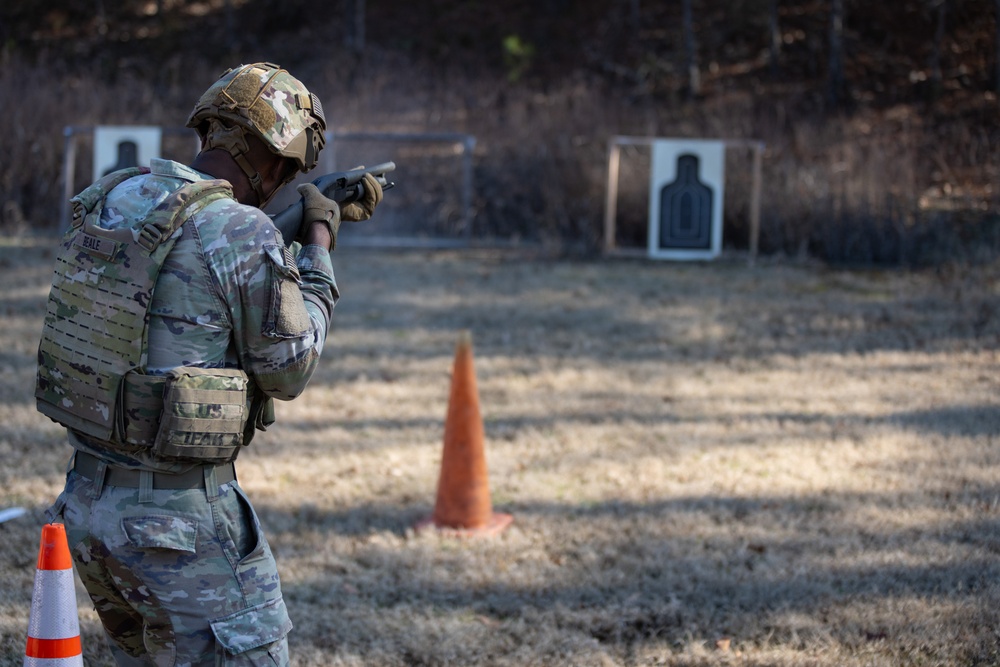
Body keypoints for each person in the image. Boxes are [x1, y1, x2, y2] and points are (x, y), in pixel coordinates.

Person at [35, 62, 381, 665]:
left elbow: (187, 285)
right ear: (273, 158)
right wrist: (318, 249)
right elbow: (289, 368)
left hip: (88, 509)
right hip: (179, 528)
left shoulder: (115, 196)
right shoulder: (240, 231)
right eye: (290, 171)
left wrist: (278, 239)